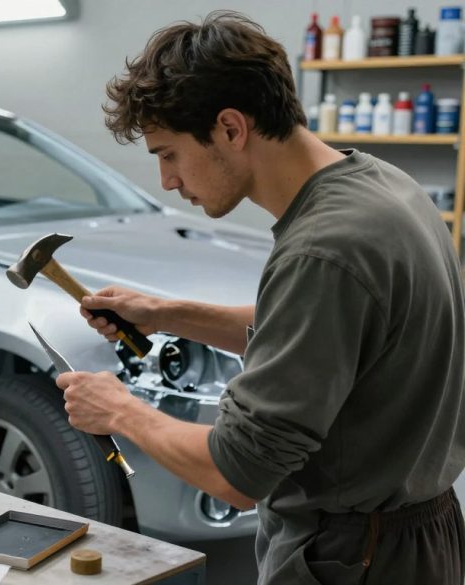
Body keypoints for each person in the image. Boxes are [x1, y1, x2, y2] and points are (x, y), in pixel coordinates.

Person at [56, 11, 465, 585]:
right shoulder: (383, 186)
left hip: (354, 559)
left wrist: (119, 410)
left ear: (230, 127)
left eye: (168, 153)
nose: (167, 181)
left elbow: (236, 474)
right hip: (417, 535)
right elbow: (321, 333)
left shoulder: (323, 250)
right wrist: (167, 313)